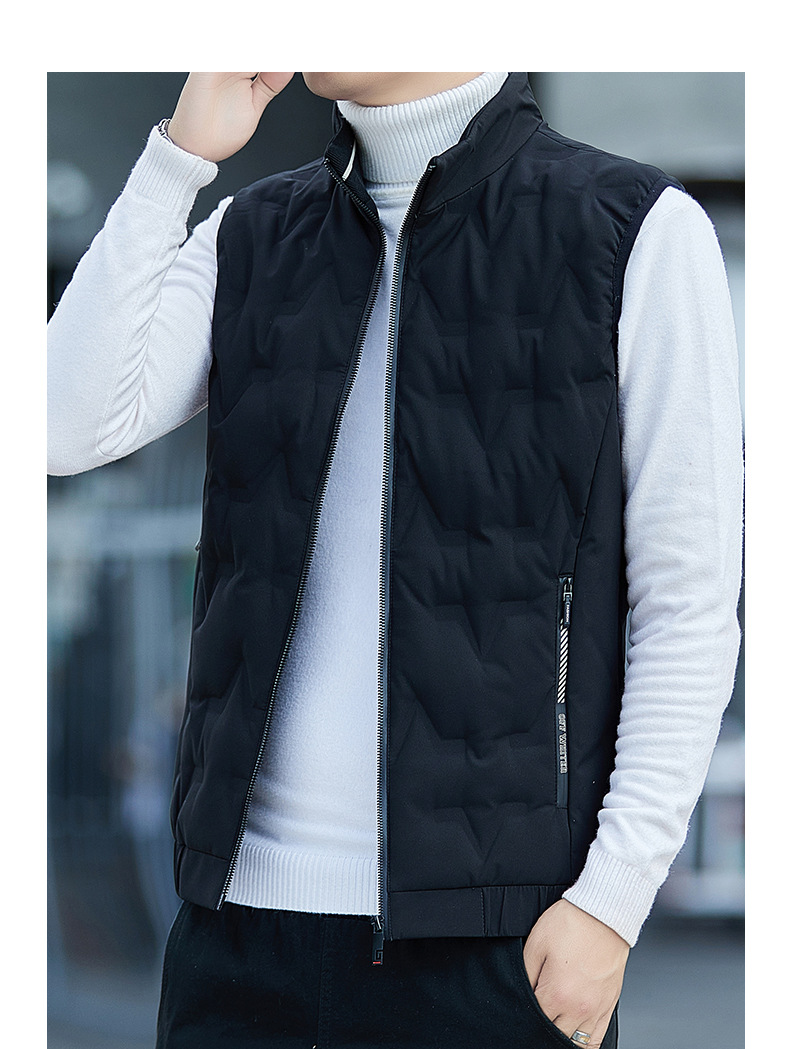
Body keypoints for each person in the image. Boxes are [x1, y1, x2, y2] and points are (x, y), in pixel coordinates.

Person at [47, 72, 743, 1048]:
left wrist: (612, 900)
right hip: (238, 941)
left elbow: (688, 604)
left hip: (496, 952)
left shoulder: (632, 228)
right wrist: (179, 159)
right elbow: (60, 424)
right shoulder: (253, 232)